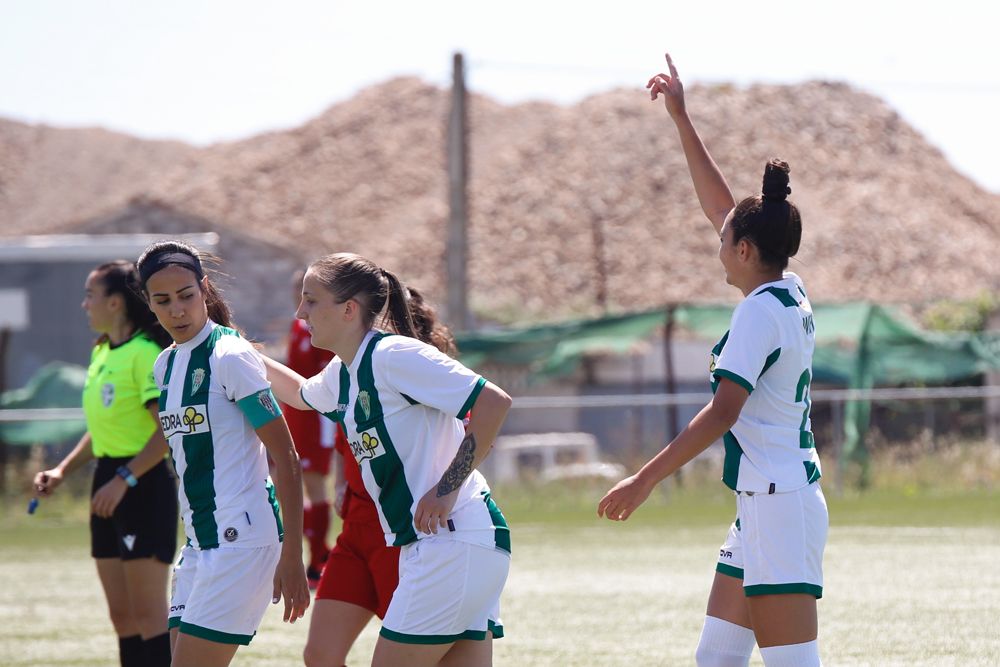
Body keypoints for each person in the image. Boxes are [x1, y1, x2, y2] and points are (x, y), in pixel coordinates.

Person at [597, 54, 828, 667]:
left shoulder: (758, 312)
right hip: (767, 498)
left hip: (780, 503)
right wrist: (681, 118)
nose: (717, 242)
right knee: (716, 657)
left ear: (747, 250)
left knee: (792, 663)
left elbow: (724, 411)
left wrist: (643, 478)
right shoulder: (786, 287)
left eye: (726, 239)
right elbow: (723, 207)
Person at [263, 253, 512, 667]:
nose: (300, 311)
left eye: (310, 300)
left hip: (452, 541)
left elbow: (492, 402)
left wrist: (445, 490)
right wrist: (227, 345)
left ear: (348, 309)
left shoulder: (394, 355)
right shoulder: (345, 372)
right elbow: (302, 394)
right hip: (448, 545)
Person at [135, 240, 310, 667]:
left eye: (186, 296)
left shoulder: (232, 358)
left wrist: (293, 555)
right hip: (200, 542)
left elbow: (286, 457)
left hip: (242, 538)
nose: (177, 309)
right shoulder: (166, 365)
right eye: (163, 300)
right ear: (148, 303)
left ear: (205, 289)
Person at [302, 283, 460, 667]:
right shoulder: (349, 373)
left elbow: (471, 429)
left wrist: (446, 490)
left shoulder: (410, 369)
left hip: (404, 532)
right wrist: (341, 481)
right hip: (356, 528)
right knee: (320, 655)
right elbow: (345, 432)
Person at [32, 260, 178, 667]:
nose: (84, 304)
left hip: (143, 488)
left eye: (90, 295)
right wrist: (62, 471)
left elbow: (166, 430)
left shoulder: (144, 354)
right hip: (107, 483)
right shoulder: (102, 351)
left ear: (115, 303)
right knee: (122, 617)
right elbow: (103, 430)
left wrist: (125, 478)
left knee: (150, 616)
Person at [283, 269, 338, 587]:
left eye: (306, 294)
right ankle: (316, 546)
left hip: (316, 417)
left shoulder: (322, 330)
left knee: (315, 483)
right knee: (282, 483)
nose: (299, 298)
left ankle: (317, 559)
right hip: (295, 415)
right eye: (298, 291)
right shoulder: (297, 325)